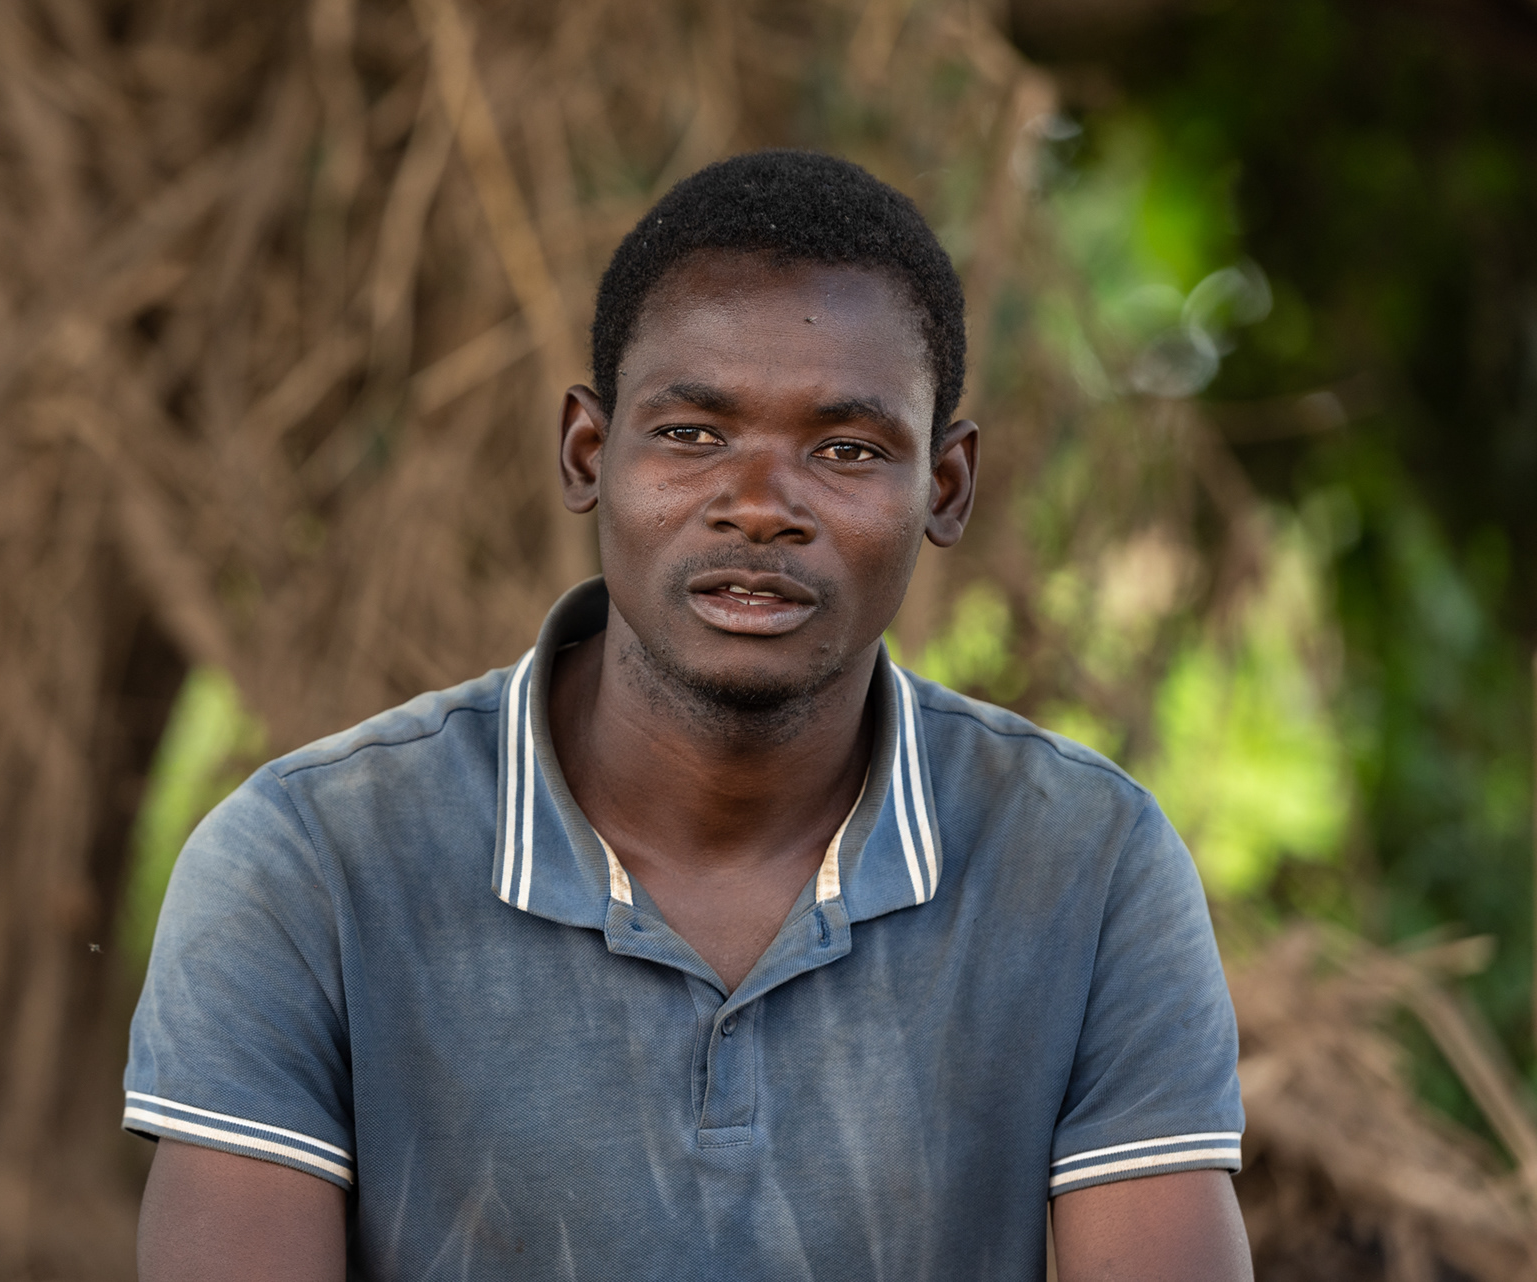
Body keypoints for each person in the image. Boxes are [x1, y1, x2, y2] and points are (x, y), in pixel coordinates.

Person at [128, 150, 1251, 1281]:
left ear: (945, 488)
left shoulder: (1087, 865)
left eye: (847, 450)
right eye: (692, 434)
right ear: (588, 454)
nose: (760, 506)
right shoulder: (309, 863)